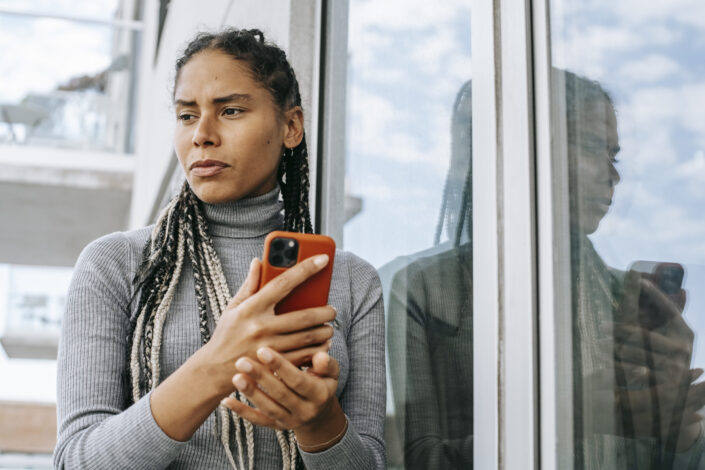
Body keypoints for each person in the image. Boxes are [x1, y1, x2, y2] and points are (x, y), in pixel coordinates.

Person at [53, 28, 385, 470]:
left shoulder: (351, 280)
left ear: (290, 127)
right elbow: (77, 462)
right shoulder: (115, 263)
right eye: (187, 116)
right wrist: (216, 364)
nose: (202, 135)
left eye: (230, 110)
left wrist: (321, 423)